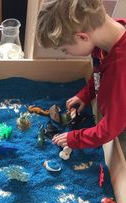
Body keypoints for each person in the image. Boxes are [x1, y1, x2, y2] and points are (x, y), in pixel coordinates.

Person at [36, 0, 126, 150]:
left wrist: (74, 138)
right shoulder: (105, 37)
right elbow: (100, 70)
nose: (66, 53)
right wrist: (86, 94)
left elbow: (109, 129)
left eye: (65, 50)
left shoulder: (120, 71)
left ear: (82, 37)